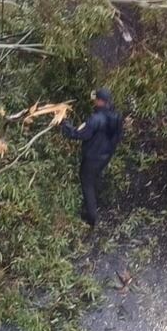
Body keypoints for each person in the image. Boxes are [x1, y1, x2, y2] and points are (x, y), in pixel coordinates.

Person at [61, 88, 123, 227]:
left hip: (92, 157)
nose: (94, 101)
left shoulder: (95, 119)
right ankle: (97, 203)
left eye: (96, 99)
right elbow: (119, 137)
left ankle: (91, 218)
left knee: (87, 183)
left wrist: (65, 125)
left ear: (101, 101)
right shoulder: (117, 117)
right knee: (95, 178)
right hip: (106, 156)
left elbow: (80, 134)